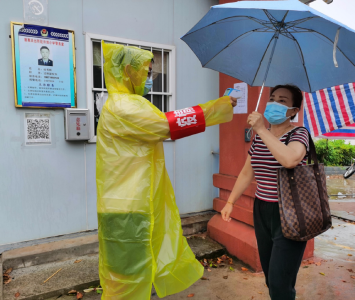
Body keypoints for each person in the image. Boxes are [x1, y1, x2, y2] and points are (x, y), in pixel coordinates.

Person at [96, 41, 237, 300]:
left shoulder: (128, 103)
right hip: (128, 208)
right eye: (146, 72)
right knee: (127, 277)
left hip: (130, 203)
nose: (150, 78)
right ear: (128, 71)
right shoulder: (123, 107)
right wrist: (218, 107)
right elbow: (166, 125)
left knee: (133, 272)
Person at [221, 85, 309, 300]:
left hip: (290, 213)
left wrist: (261, 129)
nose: (274, 104)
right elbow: (245, 173)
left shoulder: (299, 134)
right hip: (262, 210)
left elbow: (290, 160)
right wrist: (230, 202)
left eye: (282, 101)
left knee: (280, 283)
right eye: (272, 98)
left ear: (293, 111)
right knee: (272, 278)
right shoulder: (261, 138)